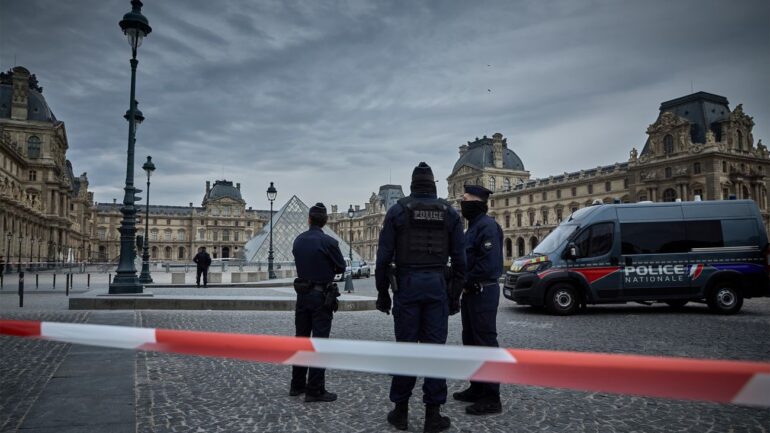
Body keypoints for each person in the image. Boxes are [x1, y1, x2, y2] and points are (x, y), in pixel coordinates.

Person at [375, 162, 466, 433]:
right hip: (437, 286)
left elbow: (382, 259)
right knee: (435, 351)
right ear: (434, 186)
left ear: (412, 185)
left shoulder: (398, 211)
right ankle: (433, 415)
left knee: (405, 349)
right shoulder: (449, 213)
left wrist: (382, 293)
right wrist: (454, 296)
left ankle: (401, 411)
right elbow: (460, 262)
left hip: (407, 286)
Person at [453, 184, 504, 415]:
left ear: (476, 202)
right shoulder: (473, 227)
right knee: (471, 341)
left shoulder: (488, 226)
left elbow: (489, 265)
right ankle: (477, 386)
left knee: (485, 342)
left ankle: (492, 397)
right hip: (471, 292)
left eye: (465, 200)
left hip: (483, 291)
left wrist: (465, 279)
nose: (462, 204)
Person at [290, 202, 346, 402]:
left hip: (302, 295)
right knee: (319, 342)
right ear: (325, 221)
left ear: (309, 219)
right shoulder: (329, 242)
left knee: (301, 340)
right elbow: (341, 267)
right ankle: (314, 390)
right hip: (321, 297)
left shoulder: (298, 240)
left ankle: (297, 385)